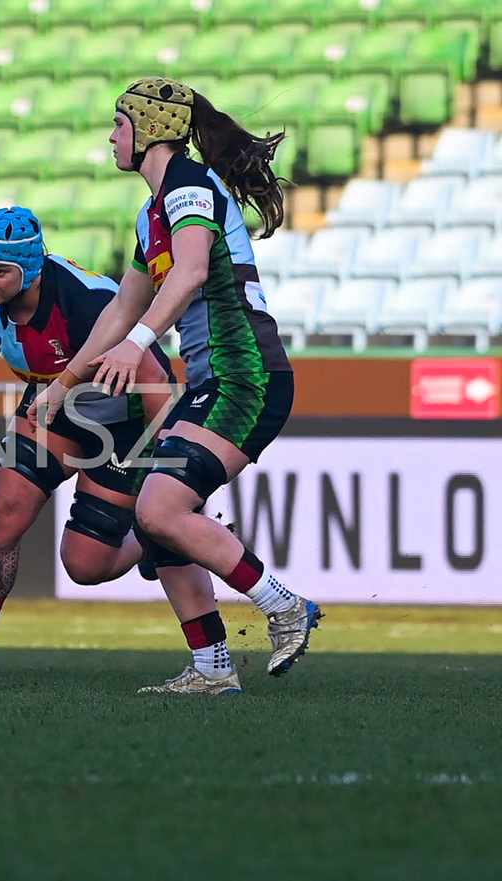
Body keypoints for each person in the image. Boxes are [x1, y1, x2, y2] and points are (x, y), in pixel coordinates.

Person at [35, 77, 321, 694]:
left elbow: (190, 273)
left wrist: (139, 345)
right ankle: (214, 668)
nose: (111, 136)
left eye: (119, 123)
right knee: (156, 511)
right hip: (214, 379)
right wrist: (65, 382)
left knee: (159, 508)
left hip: (245, 374)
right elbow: (119, 309)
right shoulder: (152, 209)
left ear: (150, 129)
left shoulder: (188, 188)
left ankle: (284, 605)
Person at [0, 207, 219, 682]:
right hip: (52, 413)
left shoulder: (85, 301)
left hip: (125, 426)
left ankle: (153, 535)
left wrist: (171, 471)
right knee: (0, 515)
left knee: (85, 566)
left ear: (30, 269)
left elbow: (155, 378)